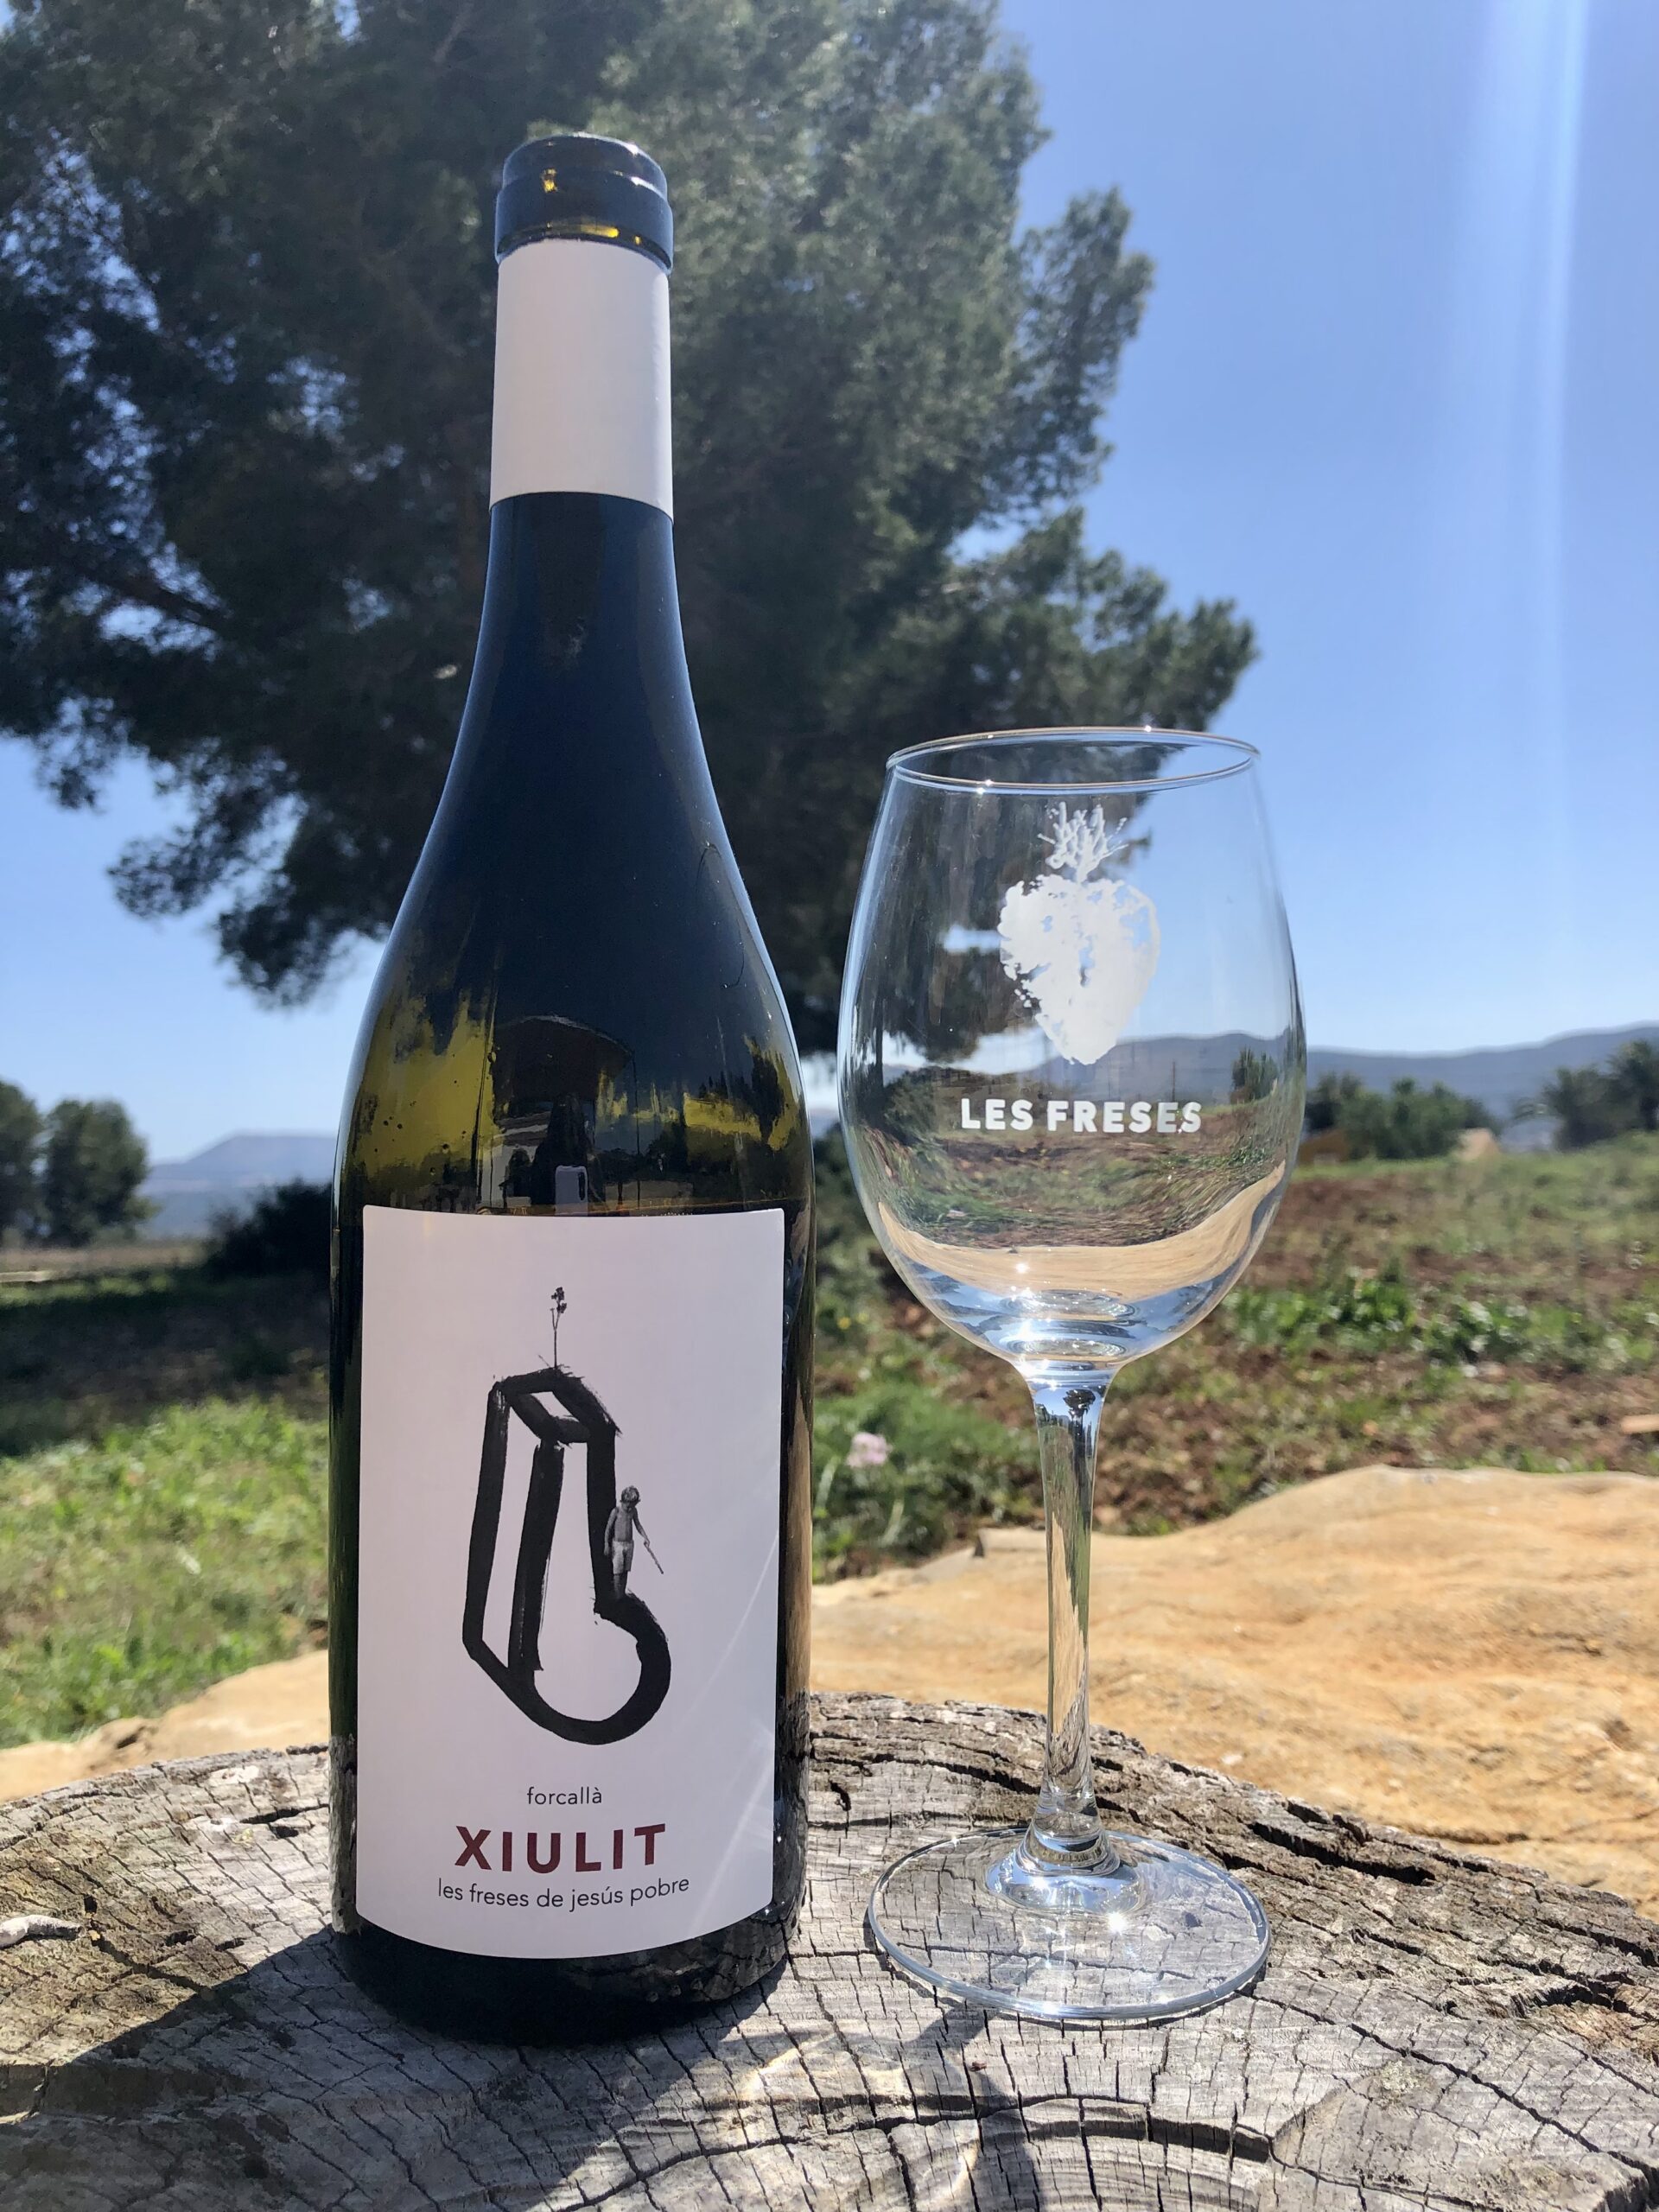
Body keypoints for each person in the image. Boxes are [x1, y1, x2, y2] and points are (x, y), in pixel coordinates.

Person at [603, 1484, 655, 1599]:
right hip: (618, 1545)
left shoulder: (633, 1511)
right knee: (617, 1572)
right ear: (623, 1501)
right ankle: (617, 1596)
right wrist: (606, 1544)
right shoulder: (616, 1511)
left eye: (633, 1505)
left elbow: (638, 1525)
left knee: (625, 1570)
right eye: (628, 1505)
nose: (630, 1508)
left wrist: (645, 1537)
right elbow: (608, 1528)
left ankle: (622, 1595)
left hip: (629, 1544)